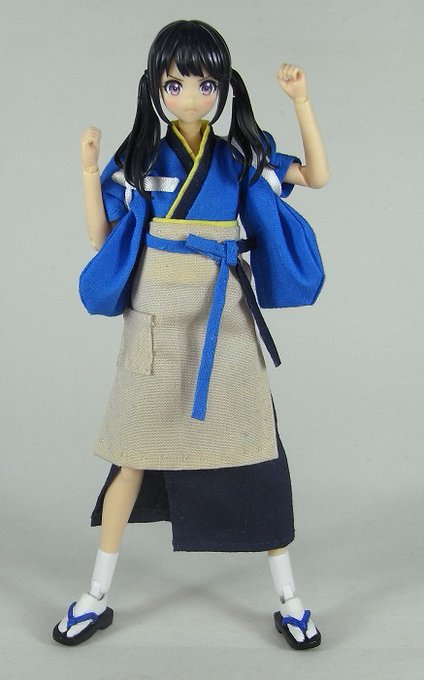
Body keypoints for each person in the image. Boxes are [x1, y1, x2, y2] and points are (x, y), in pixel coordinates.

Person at [53, 19, 329, 650]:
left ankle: (290, 598)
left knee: (256, 450)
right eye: (175, 83)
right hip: (155, 314)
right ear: (155, 86)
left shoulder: (237, 157)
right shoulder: (142, 159)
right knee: (131, 454)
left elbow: (315, 176)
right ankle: (95, 594)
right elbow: (101, 238)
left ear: (223, 89)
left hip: (222, 315)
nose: (191, 96)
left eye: (206, 84)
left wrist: (302, 103)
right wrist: (89, 171)